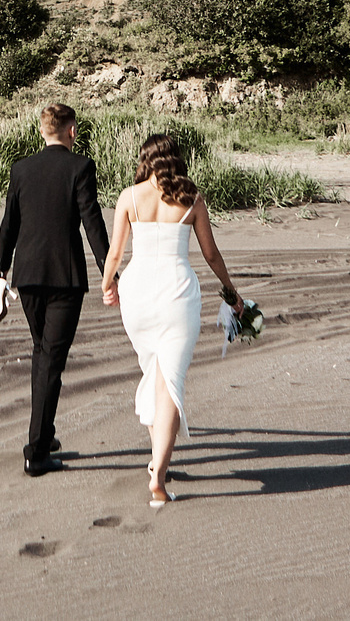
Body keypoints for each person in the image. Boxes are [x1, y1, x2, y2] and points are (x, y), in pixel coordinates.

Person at [102, 132, 240, 508]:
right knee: (170, 384)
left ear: (145, 158)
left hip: (139, 295)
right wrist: (232, 292)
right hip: (178, 294)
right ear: (176, 159)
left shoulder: (129, 197)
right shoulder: (192, 197)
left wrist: (106, 284)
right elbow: (211, 254)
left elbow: (115, 253)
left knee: (155, 375)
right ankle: (159, 477)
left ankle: (156, 460)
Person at [0, 102, 111, 478]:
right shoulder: (80, 167)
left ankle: (44, 433)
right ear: (71, 130)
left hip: (26, 276)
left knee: (42, 353)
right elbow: (91, 221)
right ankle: (37, 450)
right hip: (65, 277)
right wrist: (109, 270)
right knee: (51, 360)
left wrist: (1, 267)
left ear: (43, 131)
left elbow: (9, 222)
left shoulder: (21, 168)